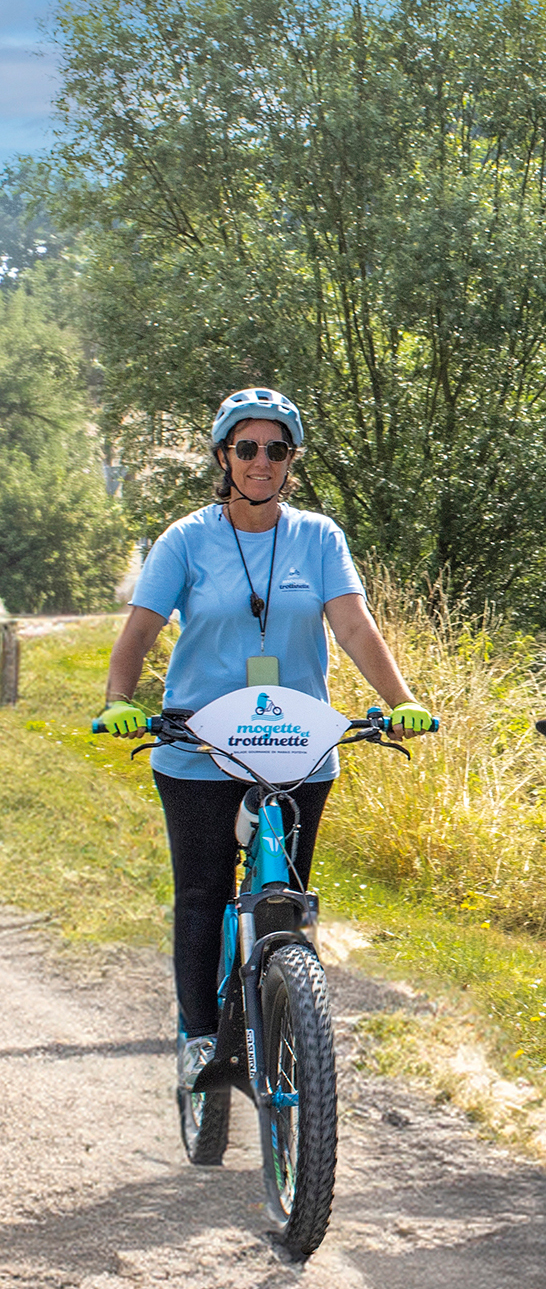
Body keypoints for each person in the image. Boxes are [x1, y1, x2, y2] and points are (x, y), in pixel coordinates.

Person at [95, 387, 435, 1087]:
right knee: (203, 892)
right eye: (246, 448)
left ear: (290, 462)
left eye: (275, 449)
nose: (260, 461)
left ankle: (286, 1017)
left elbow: (352, 626)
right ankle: (197, 1035)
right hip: (199, 747)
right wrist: (118, 702)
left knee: (286, 898)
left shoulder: (318, 537)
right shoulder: (187, 539)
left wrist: (401, 702)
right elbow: (139, 631)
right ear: (223, 457)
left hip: (295, 746)